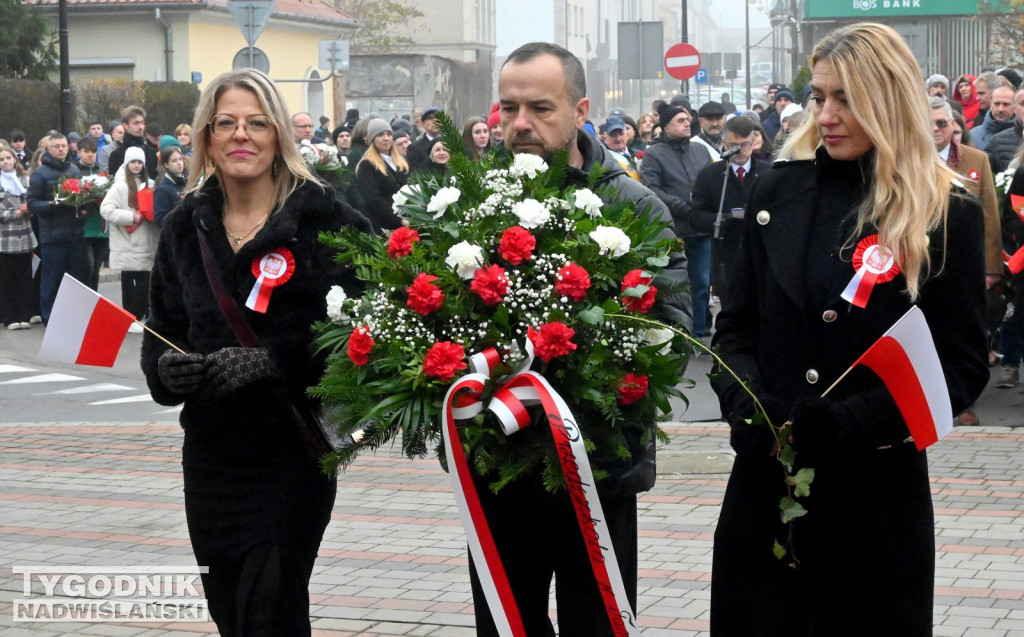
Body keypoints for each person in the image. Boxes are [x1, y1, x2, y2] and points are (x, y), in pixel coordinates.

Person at [710, 23, 989, 636]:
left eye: (846, 100)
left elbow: (959, 370)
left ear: (887, 101)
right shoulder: (774, 190)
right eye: (819, 98)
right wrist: (746, 405)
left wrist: (847, 423)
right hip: (765, 489)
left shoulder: (945, 212)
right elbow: (734, 330)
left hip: (874, 499)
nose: (828, 115)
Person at [468, 40, 692, 637]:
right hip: (497, 469)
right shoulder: (466, 206)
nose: (521, 124)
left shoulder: (635, 206)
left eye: (541, 108)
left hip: (599, 468)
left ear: (580, 109)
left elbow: (674, 332)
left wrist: (583, 370)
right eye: (509, 108)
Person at [140, 68, 371, 637]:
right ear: (207, 140)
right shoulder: (181, 226)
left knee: (270, 605)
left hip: (292, 453)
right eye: (226, 124)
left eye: (257, 123)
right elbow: (160, 333)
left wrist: (279, 362)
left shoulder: (326, 221)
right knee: (232, 613)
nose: (241, 135)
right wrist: (169, 372)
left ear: (278, 138)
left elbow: (371, 333)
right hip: (214, 458)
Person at [640, 102, 714, 337]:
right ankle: (679, 330)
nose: (687, 124)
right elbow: (651, 188)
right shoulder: (654, 154)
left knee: (701, 282)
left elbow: (711, 181)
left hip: (701, 228)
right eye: (680, 121)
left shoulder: (700, 151)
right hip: (673, 230)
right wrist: (682, 207)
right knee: (674, 285)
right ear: (666, 127)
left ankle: (700, 331)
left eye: (688, 120)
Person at [688, 116, 769, 310]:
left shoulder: (768, 173)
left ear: (753, 142)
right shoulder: (711, 176)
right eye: (733, 145)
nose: (740, 150)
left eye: (744, 144)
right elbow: (696, 217)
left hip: (760, 256)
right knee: (731, 312)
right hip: (726, 255)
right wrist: (725, 219)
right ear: (724, 143)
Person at [27, 134, 87, 324]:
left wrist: (85, 205)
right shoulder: (40, 174)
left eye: (64, 146)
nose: (61, 149)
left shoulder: (74, 170)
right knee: (51, 280)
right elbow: (32, 204)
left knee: (75, 281)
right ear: (49, 149)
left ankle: (73, 318)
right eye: (57, 146)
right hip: (53, 236)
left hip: (75, 234)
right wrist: (53, 204)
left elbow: (83, 196)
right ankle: (49, 319)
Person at [100, 146, 157, 322]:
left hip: (147, 242)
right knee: (141, 284)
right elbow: (106, 210)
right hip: (129, 242)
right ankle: (130, 317)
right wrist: (131, 217)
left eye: (140, 162)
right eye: (133, 161)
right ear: (126, 163)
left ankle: (133, 317)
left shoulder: (149, 184)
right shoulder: (119, 186)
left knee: (145, 283)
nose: (136, 165)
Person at [0, 146, 37, 329]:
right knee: (7, 279)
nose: (6, 161)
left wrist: (29, 209)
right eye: (2, 159)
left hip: (25, 236)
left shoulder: (25, 179)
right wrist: (13, 213)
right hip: (6, 238)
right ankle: (10, 317)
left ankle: (25, 315)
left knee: (24, 278)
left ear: (15, 159)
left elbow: (33, 202)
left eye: (8, 158)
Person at [355, 118, 409, 233]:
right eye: (380, 135)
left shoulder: (401, 163)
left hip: (406, 221)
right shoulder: (367, 165)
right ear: (372, 139)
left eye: (389, 134)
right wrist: (399, 220)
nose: (386, 138)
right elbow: (373, 200)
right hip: (384, 227)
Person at [75, 137, 109, 291]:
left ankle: (93, 300)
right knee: (86, 268)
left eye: (93, 152)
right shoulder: (74, 171)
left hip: (101, 228)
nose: (90, 155)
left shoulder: (102, 173)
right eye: (86, 151)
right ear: (78, 153)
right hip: (84, 227)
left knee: (95, 268)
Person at [108, 105, 159, 177]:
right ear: (125, 125)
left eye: (142, 123)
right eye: (136, 123)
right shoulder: (117, 155)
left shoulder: (151, 152)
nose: (141, 127)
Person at [985, 87, 1024, 173]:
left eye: (1005, 104)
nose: (1001, 109)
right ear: (1015, 108)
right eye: (1022, 104)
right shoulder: (997, 141)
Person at [973, 85, 1016, 151]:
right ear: (991, 103)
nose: (1000, 109)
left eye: (1006, 104)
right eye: (997, 104)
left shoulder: (1022, 135)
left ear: (1015, 106)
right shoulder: (973, 135)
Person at [154, 145, 187, 228]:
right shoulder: (163, 189)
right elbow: (160, 220)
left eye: (180, 159)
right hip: (177, 236)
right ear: (166, 165)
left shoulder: (188, 182)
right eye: (174, 161)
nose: (179, 163)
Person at [406, 106, 441, 171]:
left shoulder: (450, 144)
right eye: (430, 118)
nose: (435, 121)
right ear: (422, 123)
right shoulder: (414, 148)